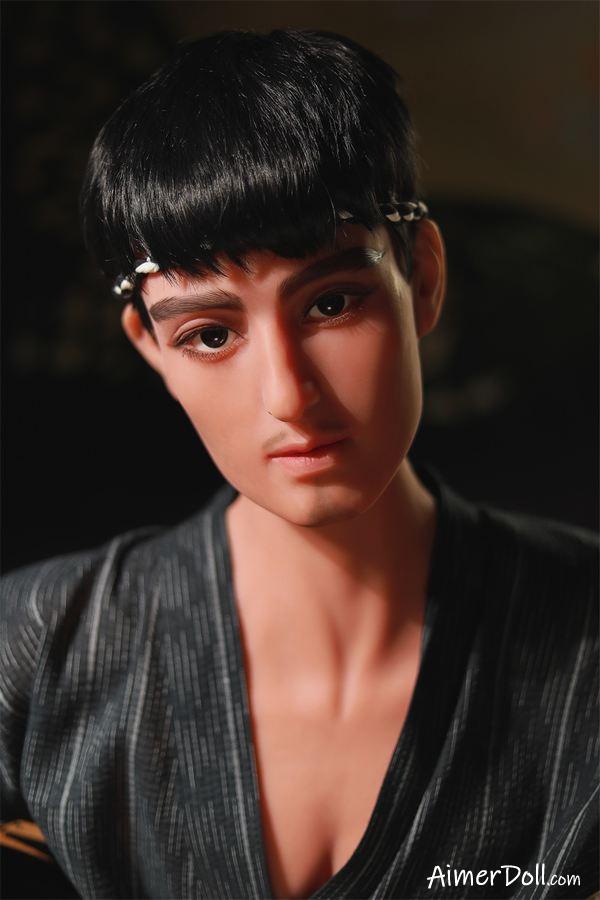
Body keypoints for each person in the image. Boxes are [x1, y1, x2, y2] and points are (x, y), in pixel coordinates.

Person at [1, 29, 597, 900]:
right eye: (211, 335)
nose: (287, 394)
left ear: (424, 279)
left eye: (331, 302)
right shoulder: (33, 657)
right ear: (151, 347)